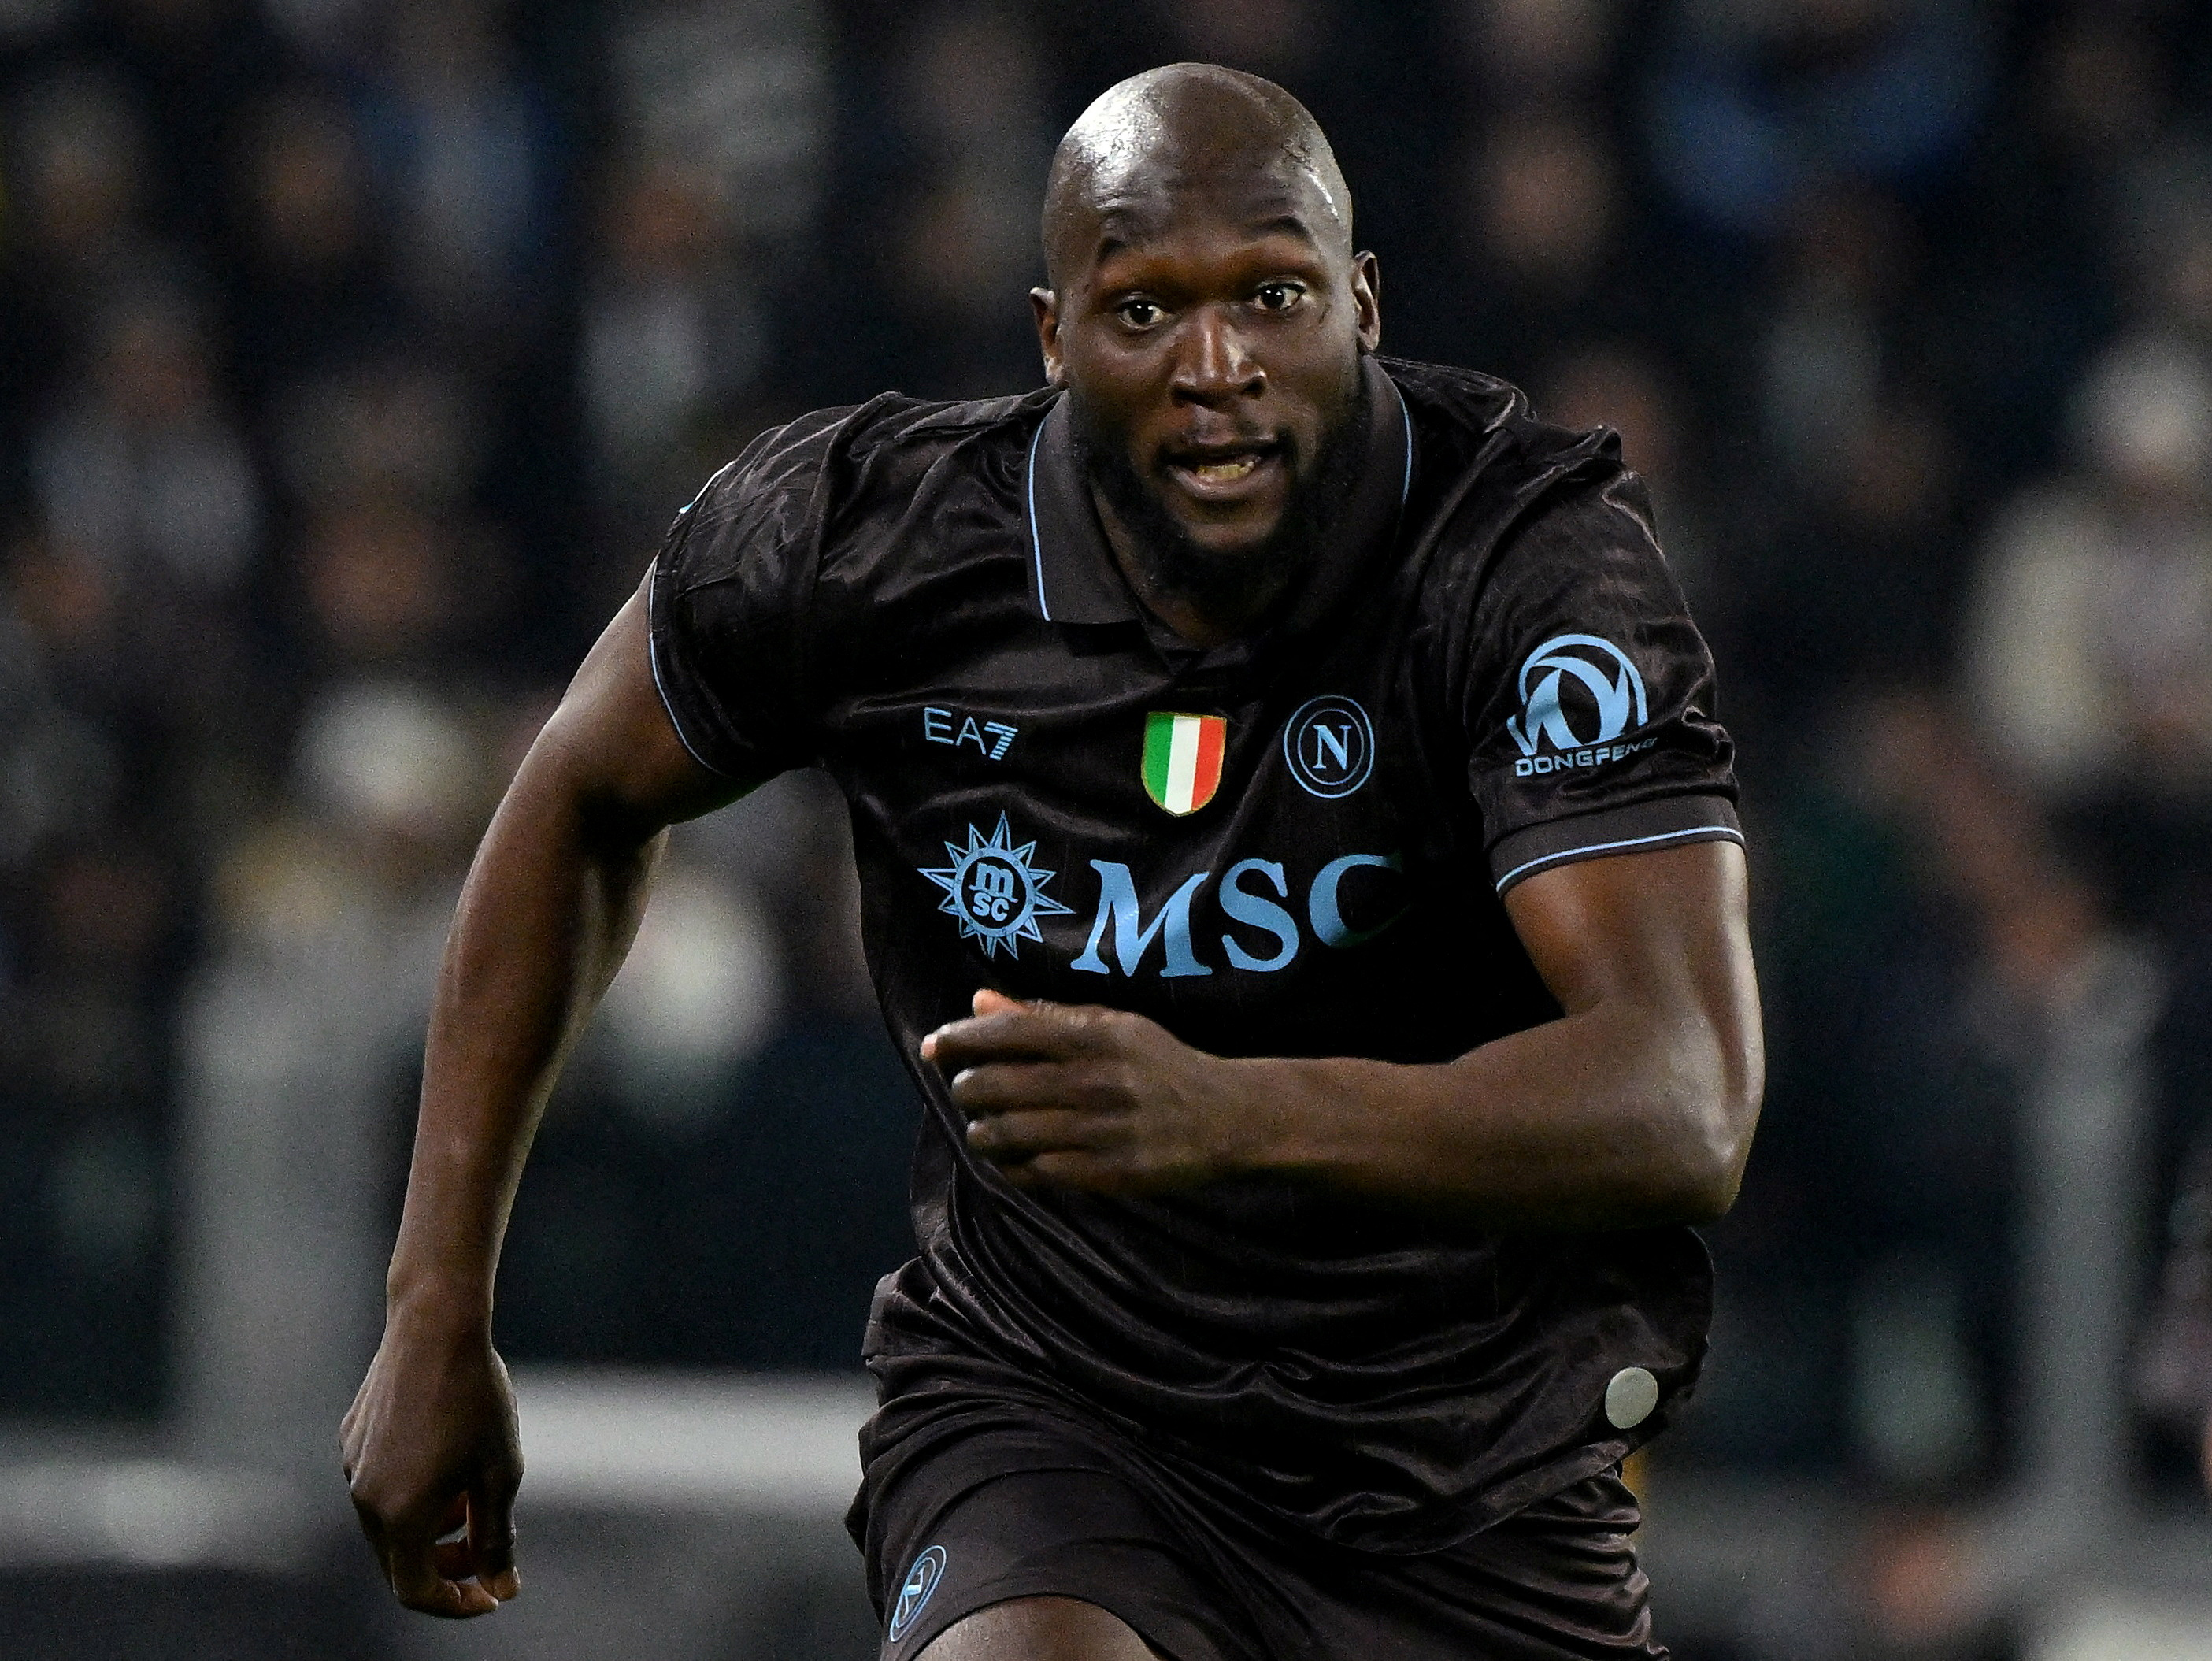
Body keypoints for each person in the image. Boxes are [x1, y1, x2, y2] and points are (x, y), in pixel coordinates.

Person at [340, 64, 1762, 1661]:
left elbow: (1683, 1098)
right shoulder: (864, 540)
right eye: (1144, 307)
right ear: (1050, 335)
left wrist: (1221, 1113)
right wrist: (433, 1312)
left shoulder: (1524, 570)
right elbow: (578, 796)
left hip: (1463, 1469)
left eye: (1273, 295)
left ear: (1362, 303)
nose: (1214, 364)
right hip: (1057, 1403)